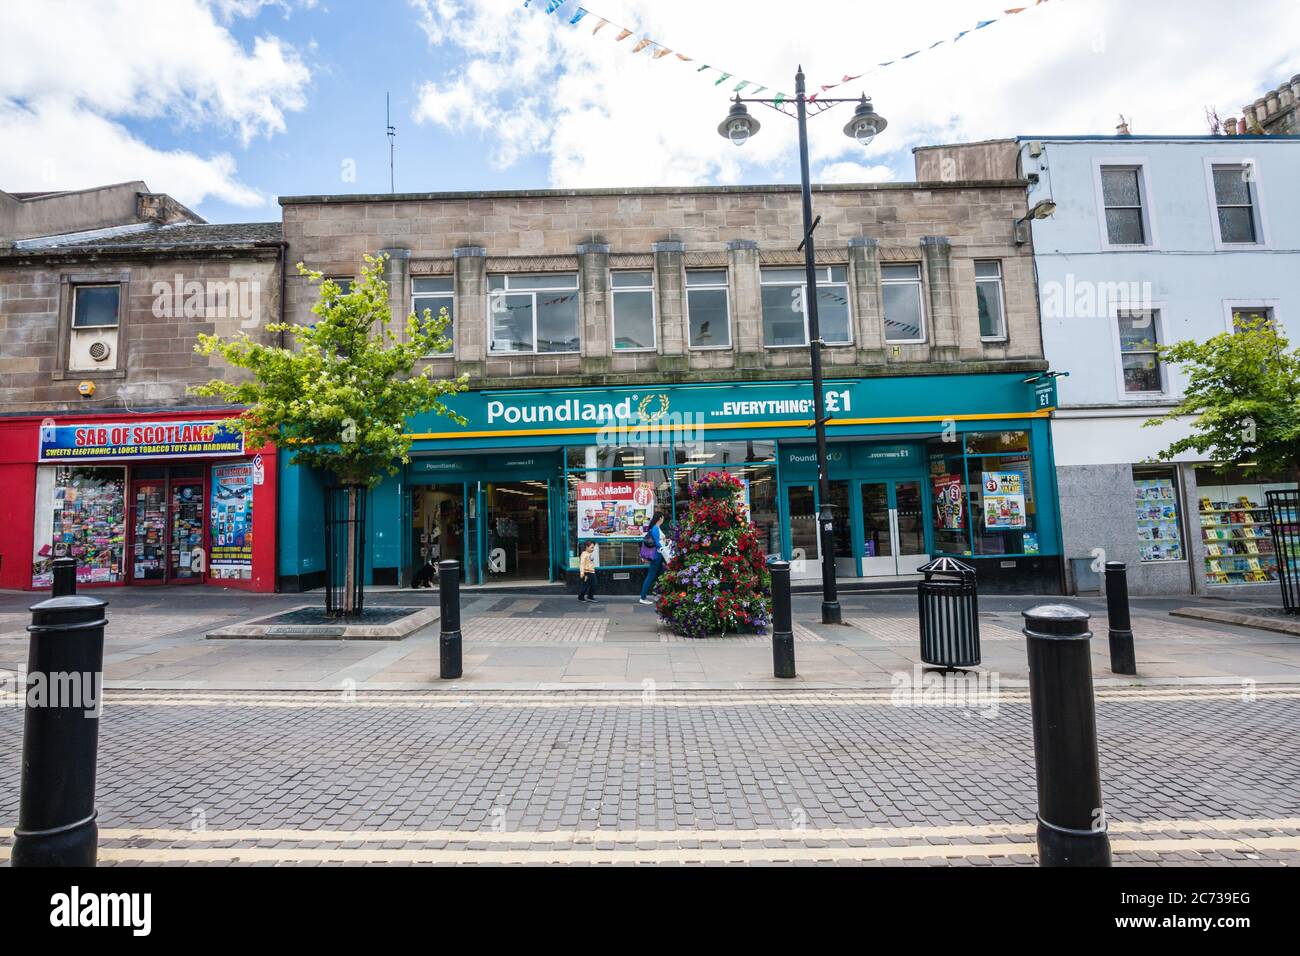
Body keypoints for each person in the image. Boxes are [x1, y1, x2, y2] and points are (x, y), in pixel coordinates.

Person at [638, 513, 666, 605]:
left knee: (662, 575)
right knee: (651, 576)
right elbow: (657, 543)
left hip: (660, 555)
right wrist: (665, 549)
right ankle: (643, 597)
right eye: (663, 517)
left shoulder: (657, 528)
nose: (663, 519)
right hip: (657, 555)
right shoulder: (655, 528)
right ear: (660, 518)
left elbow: (660, 541)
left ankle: (659, 594)